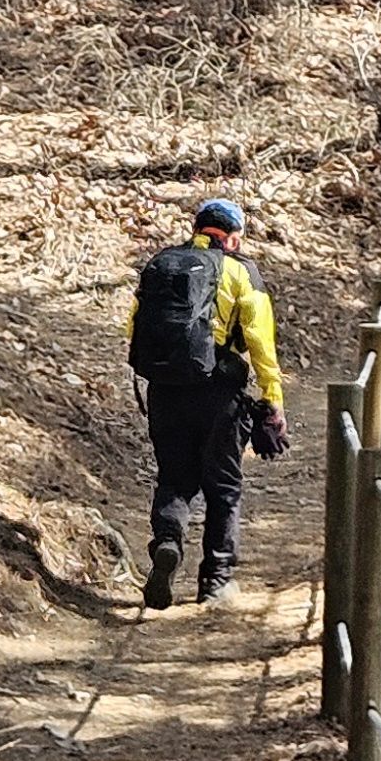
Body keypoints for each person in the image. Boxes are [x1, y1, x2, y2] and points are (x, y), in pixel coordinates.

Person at [125, 197, 285, 609]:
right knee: (223, 487)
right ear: (232, 238)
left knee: (174, 478)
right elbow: (261, 341)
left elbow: (133, 328)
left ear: (197, 230)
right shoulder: (241, 271)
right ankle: (215, 582)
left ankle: (168, 540)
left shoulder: (163, 264)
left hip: (165, 390)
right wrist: (273, 399)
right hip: (219, 394)